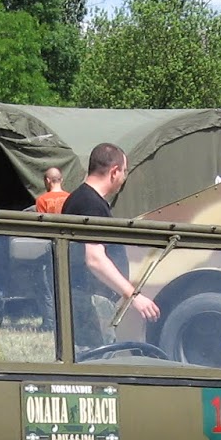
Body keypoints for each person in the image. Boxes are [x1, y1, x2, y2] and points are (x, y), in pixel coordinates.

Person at [61, 143, 158, 348]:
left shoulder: (82, 198)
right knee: (97, 358)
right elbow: (94, 258)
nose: (124, 177)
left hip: (84, 299)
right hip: (89, 302)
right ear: (114, 171)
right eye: (124, 171)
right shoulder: (91, 204)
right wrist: (134, 296)